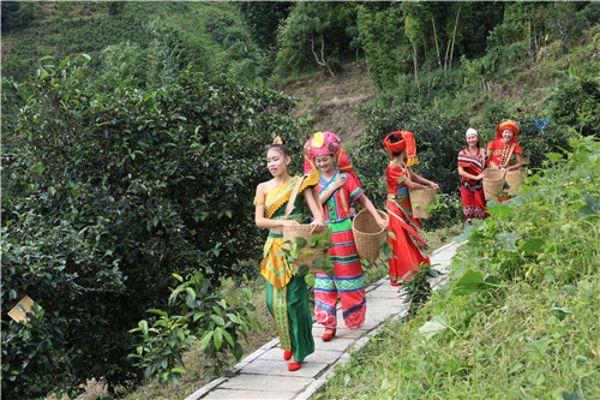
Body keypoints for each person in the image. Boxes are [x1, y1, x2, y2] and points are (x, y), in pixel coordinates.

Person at [304, 131, 387, 341]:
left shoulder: (346, 178)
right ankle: (328, 324)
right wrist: (333, 187)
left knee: (349, 275)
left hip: (344, 232)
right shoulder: (313, 183)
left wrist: (378, 218)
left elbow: (363, 200)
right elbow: (315, 204)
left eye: (325, 159)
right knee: (323, 280)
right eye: (318, 160)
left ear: (334, 157)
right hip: (322, 234)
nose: (322, 164)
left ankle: (354, 318)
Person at [254, 136, 325, 371]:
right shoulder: (263, 188)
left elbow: (317, 213)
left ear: (287, 160)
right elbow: (259, 220)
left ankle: (299, 350)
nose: (271, 164)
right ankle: (288, 340)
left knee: (294, 301)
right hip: (274, 247)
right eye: (268, 161)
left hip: (295, 248)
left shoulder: (300, 183)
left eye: (275, 159)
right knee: (272, 302)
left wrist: (318, 221)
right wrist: (284, 222)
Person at [383, 131, 439, 286]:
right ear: (403, 150)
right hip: (396, 207)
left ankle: (419, 267)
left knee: (412, 236)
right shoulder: (392, 168)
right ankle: (406, 273)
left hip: (405, 206)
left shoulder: (401, 164)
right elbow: (411, 184)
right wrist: (425, 187)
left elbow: (413, 176)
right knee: (401, 240)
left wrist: (429, 183)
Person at [487, 119, 527, 201]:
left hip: (506, 173)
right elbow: (487, 159)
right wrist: (494, 168)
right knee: (491, 196)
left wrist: (508, 169)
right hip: (493, 171)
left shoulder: (515, 146)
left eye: (510, 133)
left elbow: (520, 163)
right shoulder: (493, 143)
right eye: (506, 132)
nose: (507, 135)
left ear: (513, 134)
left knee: (507, 195)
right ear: (502, 133)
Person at [457, 128, 488, 223]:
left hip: (480, 185)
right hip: (466, 185)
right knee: (469, 215)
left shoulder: (483, 152)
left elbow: (488, 167)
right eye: (469, 138)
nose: (471, 140)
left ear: (477, 138)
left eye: (473, 137)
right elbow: (460, 172)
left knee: (481, 211)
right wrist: (476, 177)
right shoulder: (462, 153)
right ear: (466, 140)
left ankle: (483, 230)